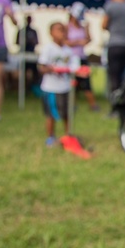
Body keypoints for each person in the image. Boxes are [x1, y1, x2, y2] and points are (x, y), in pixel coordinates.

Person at [37, 21, 90, 158]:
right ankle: (50, 137)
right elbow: (41, 67)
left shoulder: (68, 51)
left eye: (64, 30)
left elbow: (74, 66)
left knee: (67, 113)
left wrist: (79, 71)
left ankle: (68, 135)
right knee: (51, 114)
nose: (63, 33)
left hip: (65, 88)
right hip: (51, 88)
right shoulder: (48, 49)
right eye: (59, 30)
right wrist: (53, 69)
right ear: (51, 33)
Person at [65, 2, 98, 111]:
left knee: (86, 82)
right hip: (72, 58)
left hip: (82, 57)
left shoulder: (82, 26)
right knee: (73, 82)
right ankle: (72, 104)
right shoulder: (67, 27)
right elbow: (65, 42)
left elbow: (88, 40)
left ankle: (93, 105)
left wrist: (87, 29)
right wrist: (78, 42)